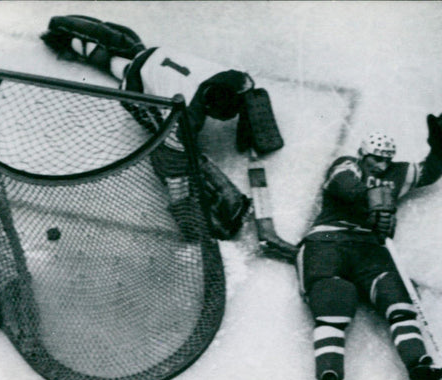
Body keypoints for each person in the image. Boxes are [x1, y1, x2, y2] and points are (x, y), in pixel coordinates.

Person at [41, 15, 285, 246]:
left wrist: (249, 129)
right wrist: (187, 216)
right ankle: (80, 46)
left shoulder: (236, 80)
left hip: (158, 55)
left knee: (127, 54)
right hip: (136, 90)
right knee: (172, 147)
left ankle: (85, 42)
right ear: (209, 108)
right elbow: (170, 166)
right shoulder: (187, 116)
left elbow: (250, 94)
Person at [296, 114, 442, 380]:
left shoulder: (397, 173)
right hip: (326, 243)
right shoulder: (348, 164)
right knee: (334, 306)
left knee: (399, 302)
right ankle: (330, 378)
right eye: (376, 159)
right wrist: (370, 199)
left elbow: (427, 173)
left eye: (387, 160)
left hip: (371, 250)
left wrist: (440, 149)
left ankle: (420, 371)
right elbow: (341, 183)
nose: (382, 165)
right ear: (364, 155)